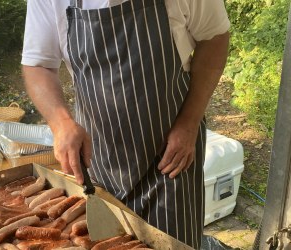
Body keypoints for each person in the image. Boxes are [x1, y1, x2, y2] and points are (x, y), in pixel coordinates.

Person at [21, 0, 230, 248]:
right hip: (97, 159)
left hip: (170, 158)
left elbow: (215, 39)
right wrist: (61, 123)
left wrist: (189, 123)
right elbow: (39, 64)